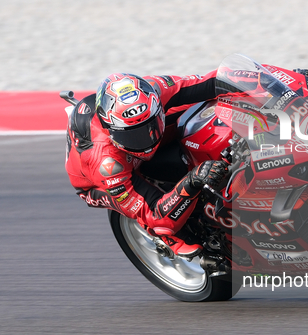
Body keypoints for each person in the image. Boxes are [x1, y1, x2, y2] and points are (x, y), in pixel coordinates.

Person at [65, 71, 229, 258]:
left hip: (136, 139)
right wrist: (192, 181)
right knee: (161, 223)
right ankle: (165, 238)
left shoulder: (154, 90)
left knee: (207, 107)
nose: (145, 140)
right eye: (132, 135)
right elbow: (155, 214)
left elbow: (210, 82)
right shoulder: (106, 163)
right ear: (111, 130)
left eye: (149, 126)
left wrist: (264, 80)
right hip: (97, 182)